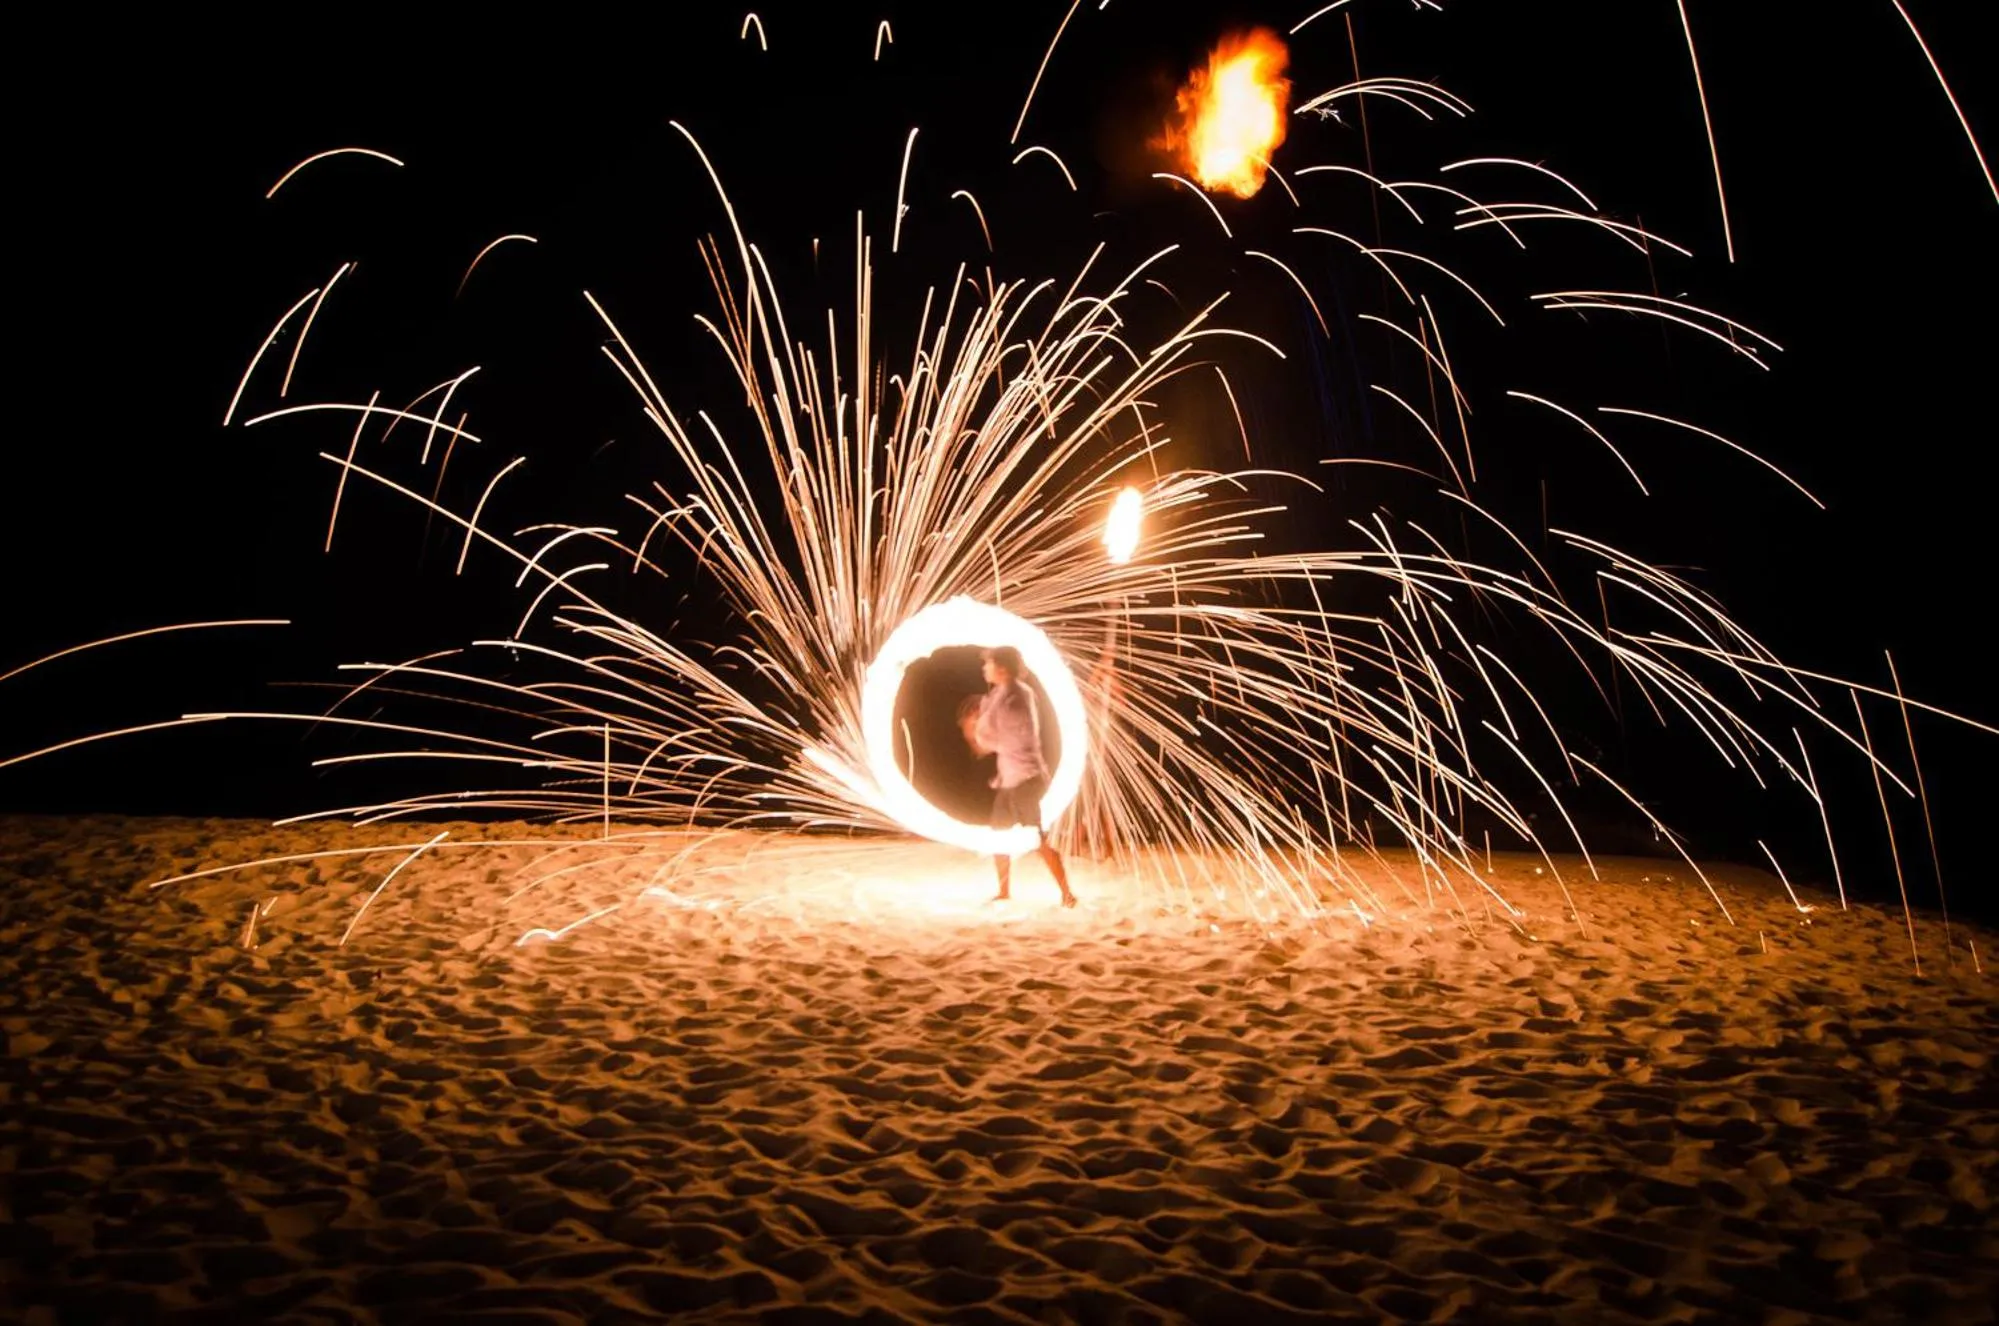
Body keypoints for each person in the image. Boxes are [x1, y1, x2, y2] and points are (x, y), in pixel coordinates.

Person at [964, 645, 1076, 907]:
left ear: (1001, 668)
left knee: (1036, 839)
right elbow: (988, 736)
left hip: (1026, 779)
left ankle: (1067, 893)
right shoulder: (1002, 695)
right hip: (1009, 779)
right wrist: (979, 728)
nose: (984, 668)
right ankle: (1004, 891)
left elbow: (1000, 740)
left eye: (989, 663)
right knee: (998, 835)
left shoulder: (1016, 698)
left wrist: (976, 730)